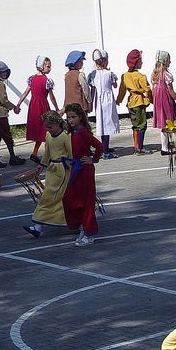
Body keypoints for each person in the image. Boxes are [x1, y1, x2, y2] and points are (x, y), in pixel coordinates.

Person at [23, 111, 73, 239]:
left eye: (50, 126)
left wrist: (71, 166)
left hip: (62, 170)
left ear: (57, 124)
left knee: (49, 196)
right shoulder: (49, 136)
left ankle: (39, 226)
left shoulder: (65, 136)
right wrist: (41, 165)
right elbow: (47, 153)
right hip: (52, 170)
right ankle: (64, 222)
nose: (48, 129)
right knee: (51, 196)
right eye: (46, 126)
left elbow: (71, 154)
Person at [61, 104, 104, 246]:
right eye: (68, 117)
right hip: (76, 168)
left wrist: (93, 159)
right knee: (69, 199)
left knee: (87, 201)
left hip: (85, 169)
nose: (71, 120)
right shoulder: (73, 131)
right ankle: (81, 226)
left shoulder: (83, 131)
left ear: (80, 117)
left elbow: (99, 146)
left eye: (73, 117)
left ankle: (89, 232)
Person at [15, 56, 59, 163]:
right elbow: (51, 97)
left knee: (42, 131)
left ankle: (35, 153)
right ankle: (49, 155)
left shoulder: (32, 79)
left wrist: (18, 104)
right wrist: (57, 108)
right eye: (48, 66)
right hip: (43, 106)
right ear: (42, 66)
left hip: (34, 106)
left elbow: (26, 93)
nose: (50, 68)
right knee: (47, 130)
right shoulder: (46, 81)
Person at [116, 49, 153, 155]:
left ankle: (136, 146)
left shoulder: (125, 76)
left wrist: (118, 100)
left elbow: (122, 90)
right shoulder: (140, 76)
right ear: (136, 62)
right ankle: (140, 148)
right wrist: (151, 99)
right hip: (139, 102)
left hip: (131, 102)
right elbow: (147, 89)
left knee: (135, 125)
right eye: (141, 60)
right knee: (142, 124)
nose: (142, 62)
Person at [0, 61, 25, 167]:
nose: (5, 73)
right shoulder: (0, 84)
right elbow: (3, 100)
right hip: (0, 114)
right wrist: (14, 107)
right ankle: (12, 157)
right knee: (7, 136)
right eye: (3, 72)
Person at [87, 49, 120, 159]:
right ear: (104, 61)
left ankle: (105, 148)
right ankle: (106, 150)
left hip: (99, 101)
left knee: (102, 124)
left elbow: (92, 89)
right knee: (108, 123)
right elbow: (115, 86)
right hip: (108, 100)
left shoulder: (93, 74)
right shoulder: (109, 73)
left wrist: (91, 102)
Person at [152, 50, 176, 155]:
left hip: (158, 101)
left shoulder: (155, 74)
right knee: (167, 123)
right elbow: (170, 91)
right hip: (165, 100)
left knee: (163, 123)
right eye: (169, 60)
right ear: (165, 61)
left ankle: (166, 144)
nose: (170, 62)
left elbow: (154, 89)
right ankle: (164, 147)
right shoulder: (166, 75)